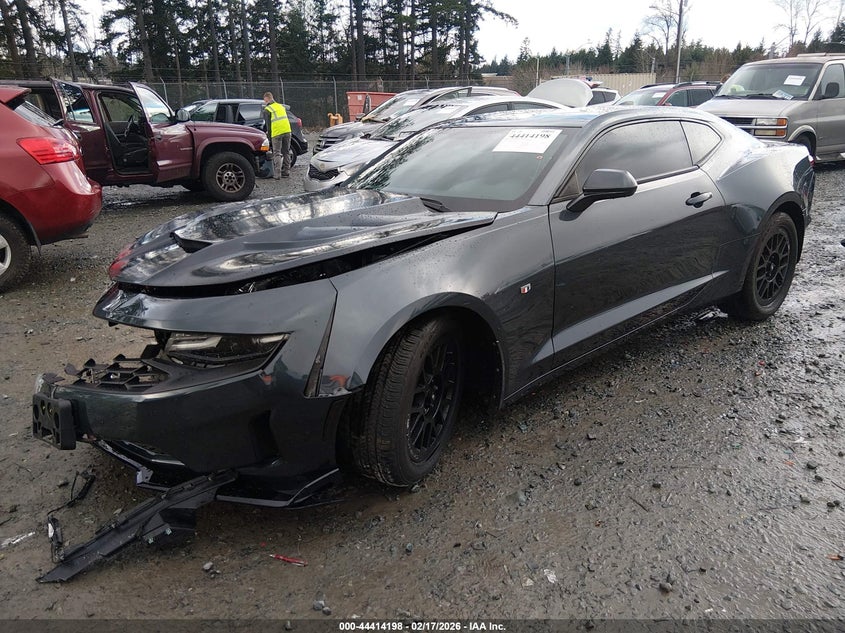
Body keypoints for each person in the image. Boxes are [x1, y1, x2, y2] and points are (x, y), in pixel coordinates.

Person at [262, 91, 291, 178]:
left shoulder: (267, 109)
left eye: (264, 101)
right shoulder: (281, 106)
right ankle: (287, 171)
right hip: (287, 131)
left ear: (267, 99)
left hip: (277, 133)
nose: (264, 102)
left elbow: (268, 126)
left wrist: (269, 138)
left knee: (277, 153)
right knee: (286, 152)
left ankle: (277, 174)